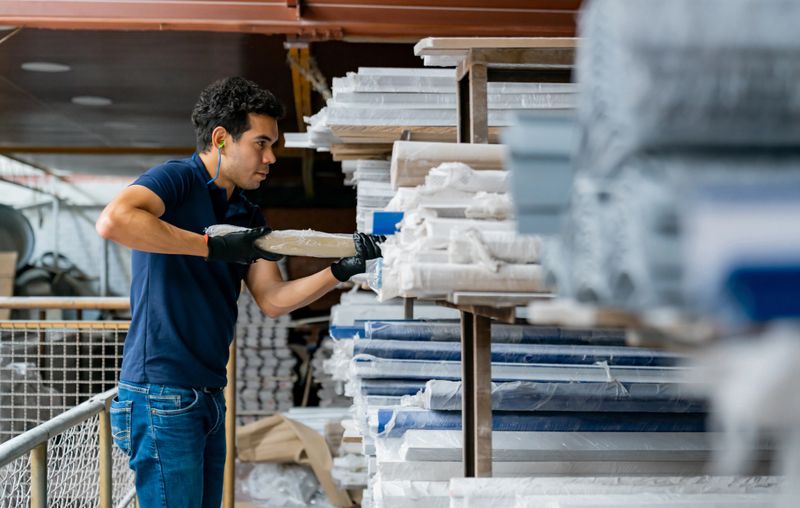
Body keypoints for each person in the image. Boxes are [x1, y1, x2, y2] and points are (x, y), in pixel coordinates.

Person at [96, 76, 382, 508]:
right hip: (161, 391)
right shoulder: (176, 180)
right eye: (261, 143)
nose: (270, 158)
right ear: (221, 139)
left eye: (274, 146)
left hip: (209, 393)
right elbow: (114, 221)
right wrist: (210, 246)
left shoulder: (247, 212)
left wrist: (338, 271)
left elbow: (273, 299)